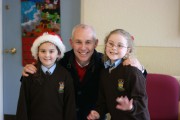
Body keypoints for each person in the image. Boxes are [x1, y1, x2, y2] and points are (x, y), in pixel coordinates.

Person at [22, 24, 147, 120]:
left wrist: (140, 68)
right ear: (71, 43)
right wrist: (29, 70)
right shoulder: (61, 61)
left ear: (96, 43)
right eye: (78, 42)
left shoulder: (105, 63)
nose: (83, 47)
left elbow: (134, 79)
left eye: (88, 42)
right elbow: (42, 73)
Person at [87, 29, 150, 120]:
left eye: (120, 45)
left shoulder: (132, 71)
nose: (114, 48)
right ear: (106, 45)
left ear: (128, 50)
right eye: (111, 44)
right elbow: (103, 101)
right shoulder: (104, 72)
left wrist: (131, 107)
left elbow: (142, 101)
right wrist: (98, 112)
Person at [16, 32, 76, 120]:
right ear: (37, 53)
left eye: (51, 51)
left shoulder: (65, 75)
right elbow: (23, 104)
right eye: (43, 51)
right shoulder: (30, 74)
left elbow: (69, 105)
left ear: (58, 54)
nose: (47, 55)